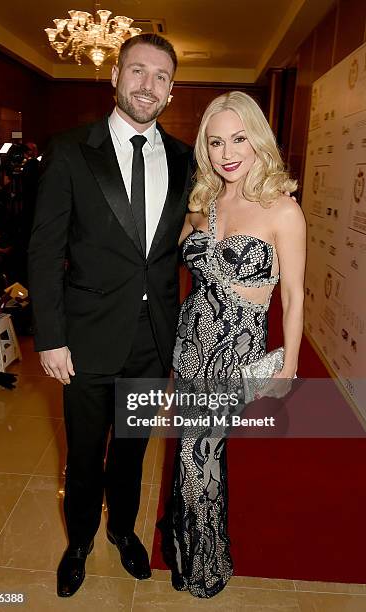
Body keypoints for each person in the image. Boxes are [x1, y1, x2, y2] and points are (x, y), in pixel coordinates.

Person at [28, 33, 193, 598]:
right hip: (86, 339)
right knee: (84, 452)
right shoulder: (72, 149)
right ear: (116, 76)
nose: (149, 85)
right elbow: (45, 251)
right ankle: (78, 541)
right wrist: (50, 337)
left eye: (162, 76)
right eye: (138, 71)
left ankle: (123, 531)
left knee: (131, 450)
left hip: (153, 340)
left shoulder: (185, 158)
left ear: (172, 90)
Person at [164, 91, 306, 598]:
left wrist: (288, 363)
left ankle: (203, 561)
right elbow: (163, 254)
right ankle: (194, 553)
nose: (228, 152)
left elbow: (292, 294)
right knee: (193, 453)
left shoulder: (283, 209)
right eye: (216, 140)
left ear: (258, 139)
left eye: (239, 138)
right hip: (192, 342)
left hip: (236, 350)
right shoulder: (204, 201)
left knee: (198, 453)